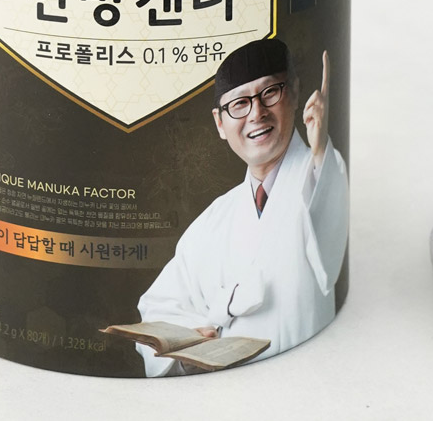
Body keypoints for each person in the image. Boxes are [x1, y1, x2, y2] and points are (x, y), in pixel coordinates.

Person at [136, 37, 349, 376]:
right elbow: (159, 307)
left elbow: (330, 248)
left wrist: (321, 149)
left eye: (270, 93)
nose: (256, 113)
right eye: (239, 104)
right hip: (221, 395)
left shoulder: (319, 174)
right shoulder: (213, 220)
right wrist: (187, 345)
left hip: (304, 379)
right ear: (220, 123)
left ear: (294, 93)